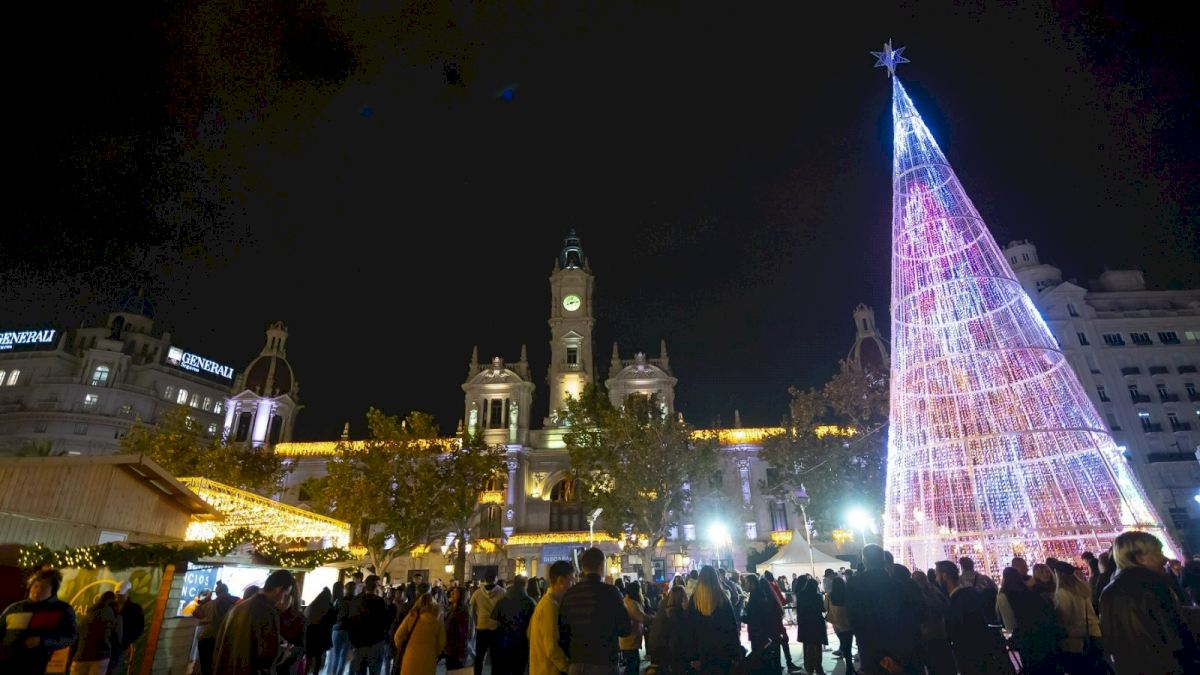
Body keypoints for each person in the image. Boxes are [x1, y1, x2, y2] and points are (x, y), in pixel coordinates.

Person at [1099, 530, 1198, 674]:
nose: (1164, 559)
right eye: (1158, 553)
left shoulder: (1108, 592)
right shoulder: (1153, 585)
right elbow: (1175, 637)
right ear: (1139, 558)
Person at [846, 544, 922, 675]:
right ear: (883, 561)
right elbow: (909, 620)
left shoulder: (854, 585)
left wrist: (879, 656)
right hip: (899, 651)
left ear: (864, 560)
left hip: (871, 652)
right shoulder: (898, 586)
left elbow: (855, 622)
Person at [559, 547, 633, 674]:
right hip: (604, 662)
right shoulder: (611, 592)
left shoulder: (569, 594)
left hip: (576, 662)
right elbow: (625, 629)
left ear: (582, 567)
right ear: (602, 566)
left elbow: (562, 632)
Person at [213, 569, 296, 675]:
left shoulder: (239, 607)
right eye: (285, 594)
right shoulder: (267, 612)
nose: (282, 600)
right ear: (279, 589)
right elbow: (267, 657)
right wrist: (284, 653)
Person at [936, 560, 1010, 675]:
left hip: (970, 658)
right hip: (986, 653)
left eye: (937, 575)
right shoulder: (972, 594)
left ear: (944, 576)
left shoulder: (955, 604)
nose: (936, 579)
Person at [0, 568, 78, 673]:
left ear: (53, 590)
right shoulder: (14, 608)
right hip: (5, 663)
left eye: (43, 587)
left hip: (35, 665)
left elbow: (70, 637)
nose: (38, 590)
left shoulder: (62, 610)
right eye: (35, 586)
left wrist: (42, 641)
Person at [995, 567, 1060, 675]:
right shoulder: (1029, 590)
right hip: (1043, 634)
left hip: (1025, 638)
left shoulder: (1004, 595)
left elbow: (1010, 624)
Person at [686, 565, 744, 674]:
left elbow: (689, 630)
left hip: (702, 652)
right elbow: (732, 628)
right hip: (722, 652)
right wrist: (735, 653)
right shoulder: (723, 599)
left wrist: (693, 656)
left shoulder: (694, 600)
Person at [1049, 561, 1102, 674]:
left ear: (1058, 575)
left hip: (1079, 638)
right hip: (1094, 631)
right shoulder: (1083, 587)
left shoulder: (1063, 593)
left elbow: (1065, 618)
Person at [530, 560, 575, 675]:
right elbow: (552, 648)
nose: (573, 585)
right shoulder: (549, 606)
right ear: (560, 581)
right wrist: (568, 667)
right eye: (571, 580)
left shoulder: (549, 603)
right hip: (548, 670)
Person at [910, 570, 955, 675]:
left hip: (927, 635)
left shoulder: (918, 595)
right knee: (946, 664)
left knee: (933, 666)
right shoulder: (934, 590)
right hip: (941, 632)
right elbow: (946, 605)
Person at [491, 574, 537, 675]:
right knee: (519, 670)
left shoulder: (502, 601)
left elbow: (494, 620)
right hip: (522, 643)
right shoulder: (530, 603)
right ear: (525, 585)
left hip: (503, 642)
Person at [346, 574, 390, 675]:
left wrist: (352, 643)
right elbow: (384, 622)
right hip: (375, 643)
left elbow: (350, 622)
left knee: (360, 671)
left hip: (358, 643)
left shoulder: (355, 600)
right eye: (379, 585)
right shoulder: (379, 601)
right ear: (375, 587)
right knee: (374, 671)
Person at [394, 593, 446, 675]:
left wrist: (403, 648)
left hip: (410, 658)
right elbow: (441, 644)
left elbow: (398, 636)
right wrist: (433, 653)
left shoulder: (411, 617)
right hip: (428, 661)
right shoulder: (437, 623)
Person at [71, 591, 121, 675]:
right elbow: (117, 641)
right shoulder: (115, 616)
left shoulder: (88, 615)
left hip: (80, 657)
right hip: (101, 657)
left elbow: (76, 637)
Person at [760, 570, 801, 672]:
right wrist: (788, 600)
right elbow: (781, 601)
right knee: (783, 640)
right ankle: (788, 664)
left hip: (768, 621)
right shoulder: (773, 587)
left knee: (775, 644)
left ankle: (777, 665)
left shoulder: (761, 590)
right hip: (776, 619)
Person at [742, 574, 781, 675]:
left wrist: (742, 617)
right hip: (761, 633)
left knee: (760, 660)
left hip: (758, 634)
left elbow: (753, 617)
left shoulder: (756, 597)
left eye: (746, 583)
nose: (745, 585)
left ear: (752, 584)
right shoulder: (759, 595)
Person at [195, 581, 236, 675]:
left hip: (206, 637)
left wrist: (204, 600)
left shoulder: (210, 604)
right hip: (223, 639)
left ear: (217, 592)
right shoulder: (234, 604)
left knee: (206, 666)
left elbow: (196, 613)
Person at [648, 586, 691, 675]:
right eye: (685, 596)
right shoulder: (676, 613)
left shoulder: (665, 607)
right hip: (669, 652)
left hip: (657, 649)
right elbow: (676, 639)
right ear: (681, 598)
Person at [469, 573, 504, 675]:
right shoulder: (502, 592)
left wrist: (476, 622)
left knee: (479, 656)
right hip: (495, 628)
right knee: (495, 657)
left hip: (482, 626)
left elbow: (471, 608)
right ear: (495, 579)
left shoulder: (477, 593)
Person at [108, 580, 145, 675]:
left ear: (127, 594)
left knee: (114, 670)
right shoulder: (111, 607)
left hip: (121, 646)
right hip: (107, 645)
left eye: (121, 595)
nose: (118, 598)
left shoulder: (135, 609)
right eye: (117, 596)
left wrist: (128, 642)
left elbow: (138, 628)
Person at [794, 576, 826, 675]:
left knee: (807, 645)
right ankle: (818, 667)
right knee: (818, 645)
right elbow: (822, 609)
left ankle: (809, 667)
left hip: (805, 623)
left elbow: (798, 610)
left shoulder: (800, 595)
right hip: (816, 622)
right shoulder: (817, 596)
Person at [825, 574, 857, 673]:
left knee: (844, 644)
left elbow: (825, 607)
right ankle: (849, 668)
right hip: (848, 624)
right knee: (848, 646)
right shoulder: (848, 594)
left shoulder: (830, 595)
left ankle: (849, 667)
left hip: (836, 624)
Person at [618, 580, 651, 675]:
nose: (641, 593)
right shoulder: (631, 604)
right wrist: (654, 619)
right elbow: (642, 618)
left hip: (629, 640)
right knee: (633, 665)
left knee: (632, 664)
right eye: (639, 591)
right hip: (630, 640)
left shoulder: (628, 601)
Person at [304, 587, 336, 675]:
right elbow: (334, 620)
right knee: (318, 658)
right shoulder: (329, 608)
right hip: (322, 636)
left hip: (310, 634)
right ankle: (315, 673)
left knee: (308, 657)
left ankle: (305, 672)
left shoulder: (312, 605)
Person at [276, 589, 306, 675]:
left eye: (286, 597)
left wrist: (288, 651)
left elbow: (302, 648)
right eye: (280, 597)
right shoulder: (271, 613)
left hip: (287, 665)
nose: (282, 601)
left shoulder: (300, 618)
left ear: (293, 598)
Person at [442, 585, 471, 671]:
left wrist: (461, 652)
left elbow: (463, 634)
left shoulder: (462, 612)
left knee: (455, 670)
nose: (451, 594)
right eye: (452, 592)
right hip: (449, 647)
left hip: (456, 650)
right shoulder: (451, 608)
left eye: (454, 593)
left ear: (460, 596)